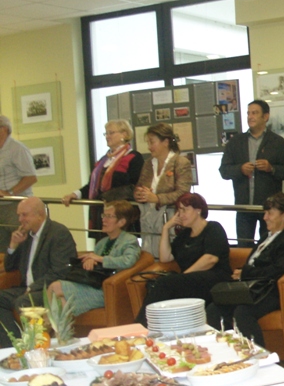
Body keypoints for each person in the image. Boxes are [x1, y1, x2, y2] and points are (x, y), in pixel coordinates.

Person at [206, 192, 284, 348]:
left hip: (268, 291)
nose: (265, 217)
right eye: (265, 213)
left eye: (270, 213)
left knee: (242, 312)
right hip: (251, 289)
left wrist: (244, 273)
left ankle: (258, 354)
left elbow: (276, 270)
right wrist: (242, 272)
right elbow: (254, 263)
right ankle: (227, 348)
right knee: (214, 308)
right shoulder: (266, 236)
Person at [134, 193, 231, 326]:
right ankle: (152, 327)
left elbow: (210, 259)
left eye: (185, 210)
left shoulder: (213, 228)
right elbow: (165, 257)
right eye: (179, 210)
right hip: (190, 282)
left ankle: (140, 325)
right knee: (163, 286)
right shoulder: (184, 235)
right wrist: (166, 228)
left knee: (165, 284)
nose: (180, 214)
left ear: (198, 210)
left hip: (215, 280)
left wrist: (183, 276)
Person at [0, 197, 76, 348]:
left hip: (47, 289)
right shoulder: (25, 236)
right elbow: (10, 267)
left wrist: (32, 287)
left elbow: (60, 271)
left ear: (40, 215)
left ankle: (36, 345)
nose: (20, 220)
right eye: (19, 215)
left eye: (24, 215)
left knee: (24, 302)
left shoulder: (58, 233)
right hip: (26, 288)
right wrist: (13, 245)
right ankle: (13, 345)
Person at [219, 100, 284, 247]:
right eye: (248, 113)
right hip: (243, 206)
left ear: (265, 117)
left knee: (268, 247)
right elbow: (224, 171)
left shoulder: (277, 142)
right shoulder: (236, 142)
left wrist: (271, 168)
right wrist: (240, 169)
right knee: (244, 248)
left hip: (269, 208)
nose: (250, 117)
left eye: (254, 113)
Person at [48, 200, 141, 317]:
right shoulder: (102, 242)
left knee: (55, 287)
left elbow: (128, 261)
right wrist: (90, 260)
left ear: (121, 222)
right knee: (60, 301)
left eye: (109, 216)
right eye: (103, 215)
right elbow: (95, 259)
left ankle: (45, 326)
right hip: (92, 284)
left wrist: (100, 259)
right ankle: (58, 328)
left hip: (107, 289)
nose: (103, 220)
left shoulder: (129, 240)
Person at [62, 120, 143, 239]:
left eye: (111, 133)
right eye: (106, 133)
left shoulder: (133, 157)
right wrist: (75, 194)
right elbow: (92, 186)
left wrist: (106, 196)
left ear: (124, 134)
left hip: (121, 215)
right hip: (101, 212)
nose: (107, 136)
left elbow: (134, 186)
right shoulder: (102, 161)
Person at [134, 124, 192, 258]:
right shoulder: (148, 164)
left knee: (169, 255)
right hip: (149, 220)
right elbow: (139, 186)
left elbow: (183, 193)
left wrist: (157, 198)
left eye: (152, 142)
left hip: (171, 219)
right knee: (149, 256)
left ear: (165, 142)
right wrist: (138, 194)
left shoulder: (181, 162)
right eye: (148, 142)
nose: (149, 147)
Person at [0, 115, 37, 250]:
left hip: (16, 206)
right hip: (1, 207)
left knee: (21, 247)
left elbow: (31, 177)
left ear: (4, 129)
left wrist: (9, 193)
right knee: (4, 249)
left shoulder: (17, 148)